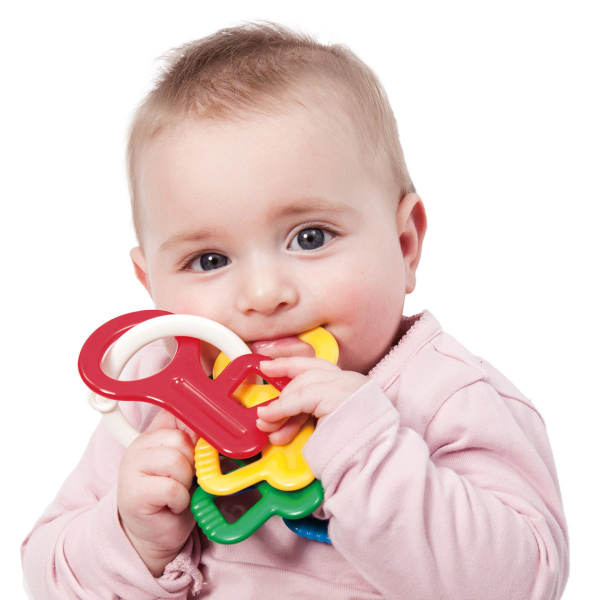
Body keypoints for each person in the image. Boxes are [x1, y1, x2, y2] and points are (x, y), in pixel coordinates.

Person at [21, 22, 568, 599]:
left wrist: (363, 450)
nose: (264, 294)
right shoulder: (155, 401)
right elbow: (44, 576)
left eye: (310, 237)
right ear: (151, 287)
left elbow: (524, 583)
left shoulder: (451, 397)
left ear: (404, 244)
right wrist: (131, 536)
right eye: (209, 260)